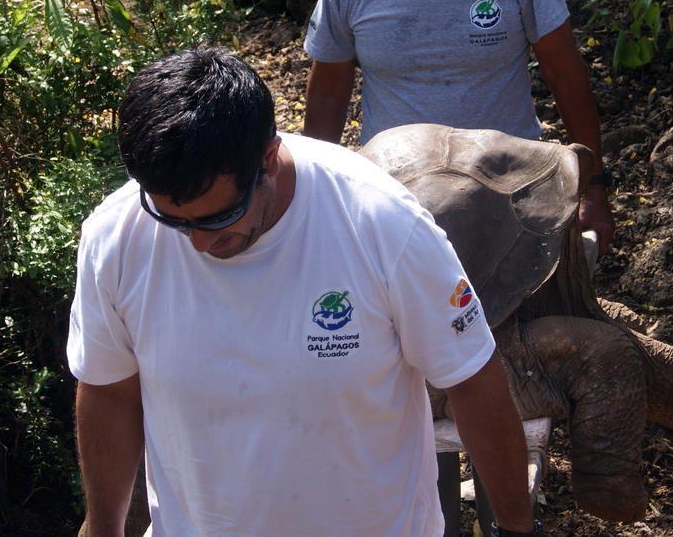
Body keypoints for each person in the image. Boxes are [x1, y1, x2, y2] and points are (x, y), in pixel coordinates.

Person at [67, 47, 540, 536]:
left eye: (218, 218)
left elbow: (470, 377)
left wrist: (517, 529)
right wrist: (103, 526)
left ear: (268, 160)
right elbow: (108, 390)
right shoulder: (116, 238)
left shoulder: (380, 224)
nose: (199, 243)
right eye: (173, 220)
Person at [301, 0, 613, 533]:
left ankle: (516, 510)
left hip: (517, 210)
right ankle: (431, 511)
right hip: (399, 209)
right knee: (415, 380)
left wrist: (594, 192)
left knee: (517, 368)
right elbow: (325, 100)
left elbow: (566, 74)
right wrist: (310, 216)